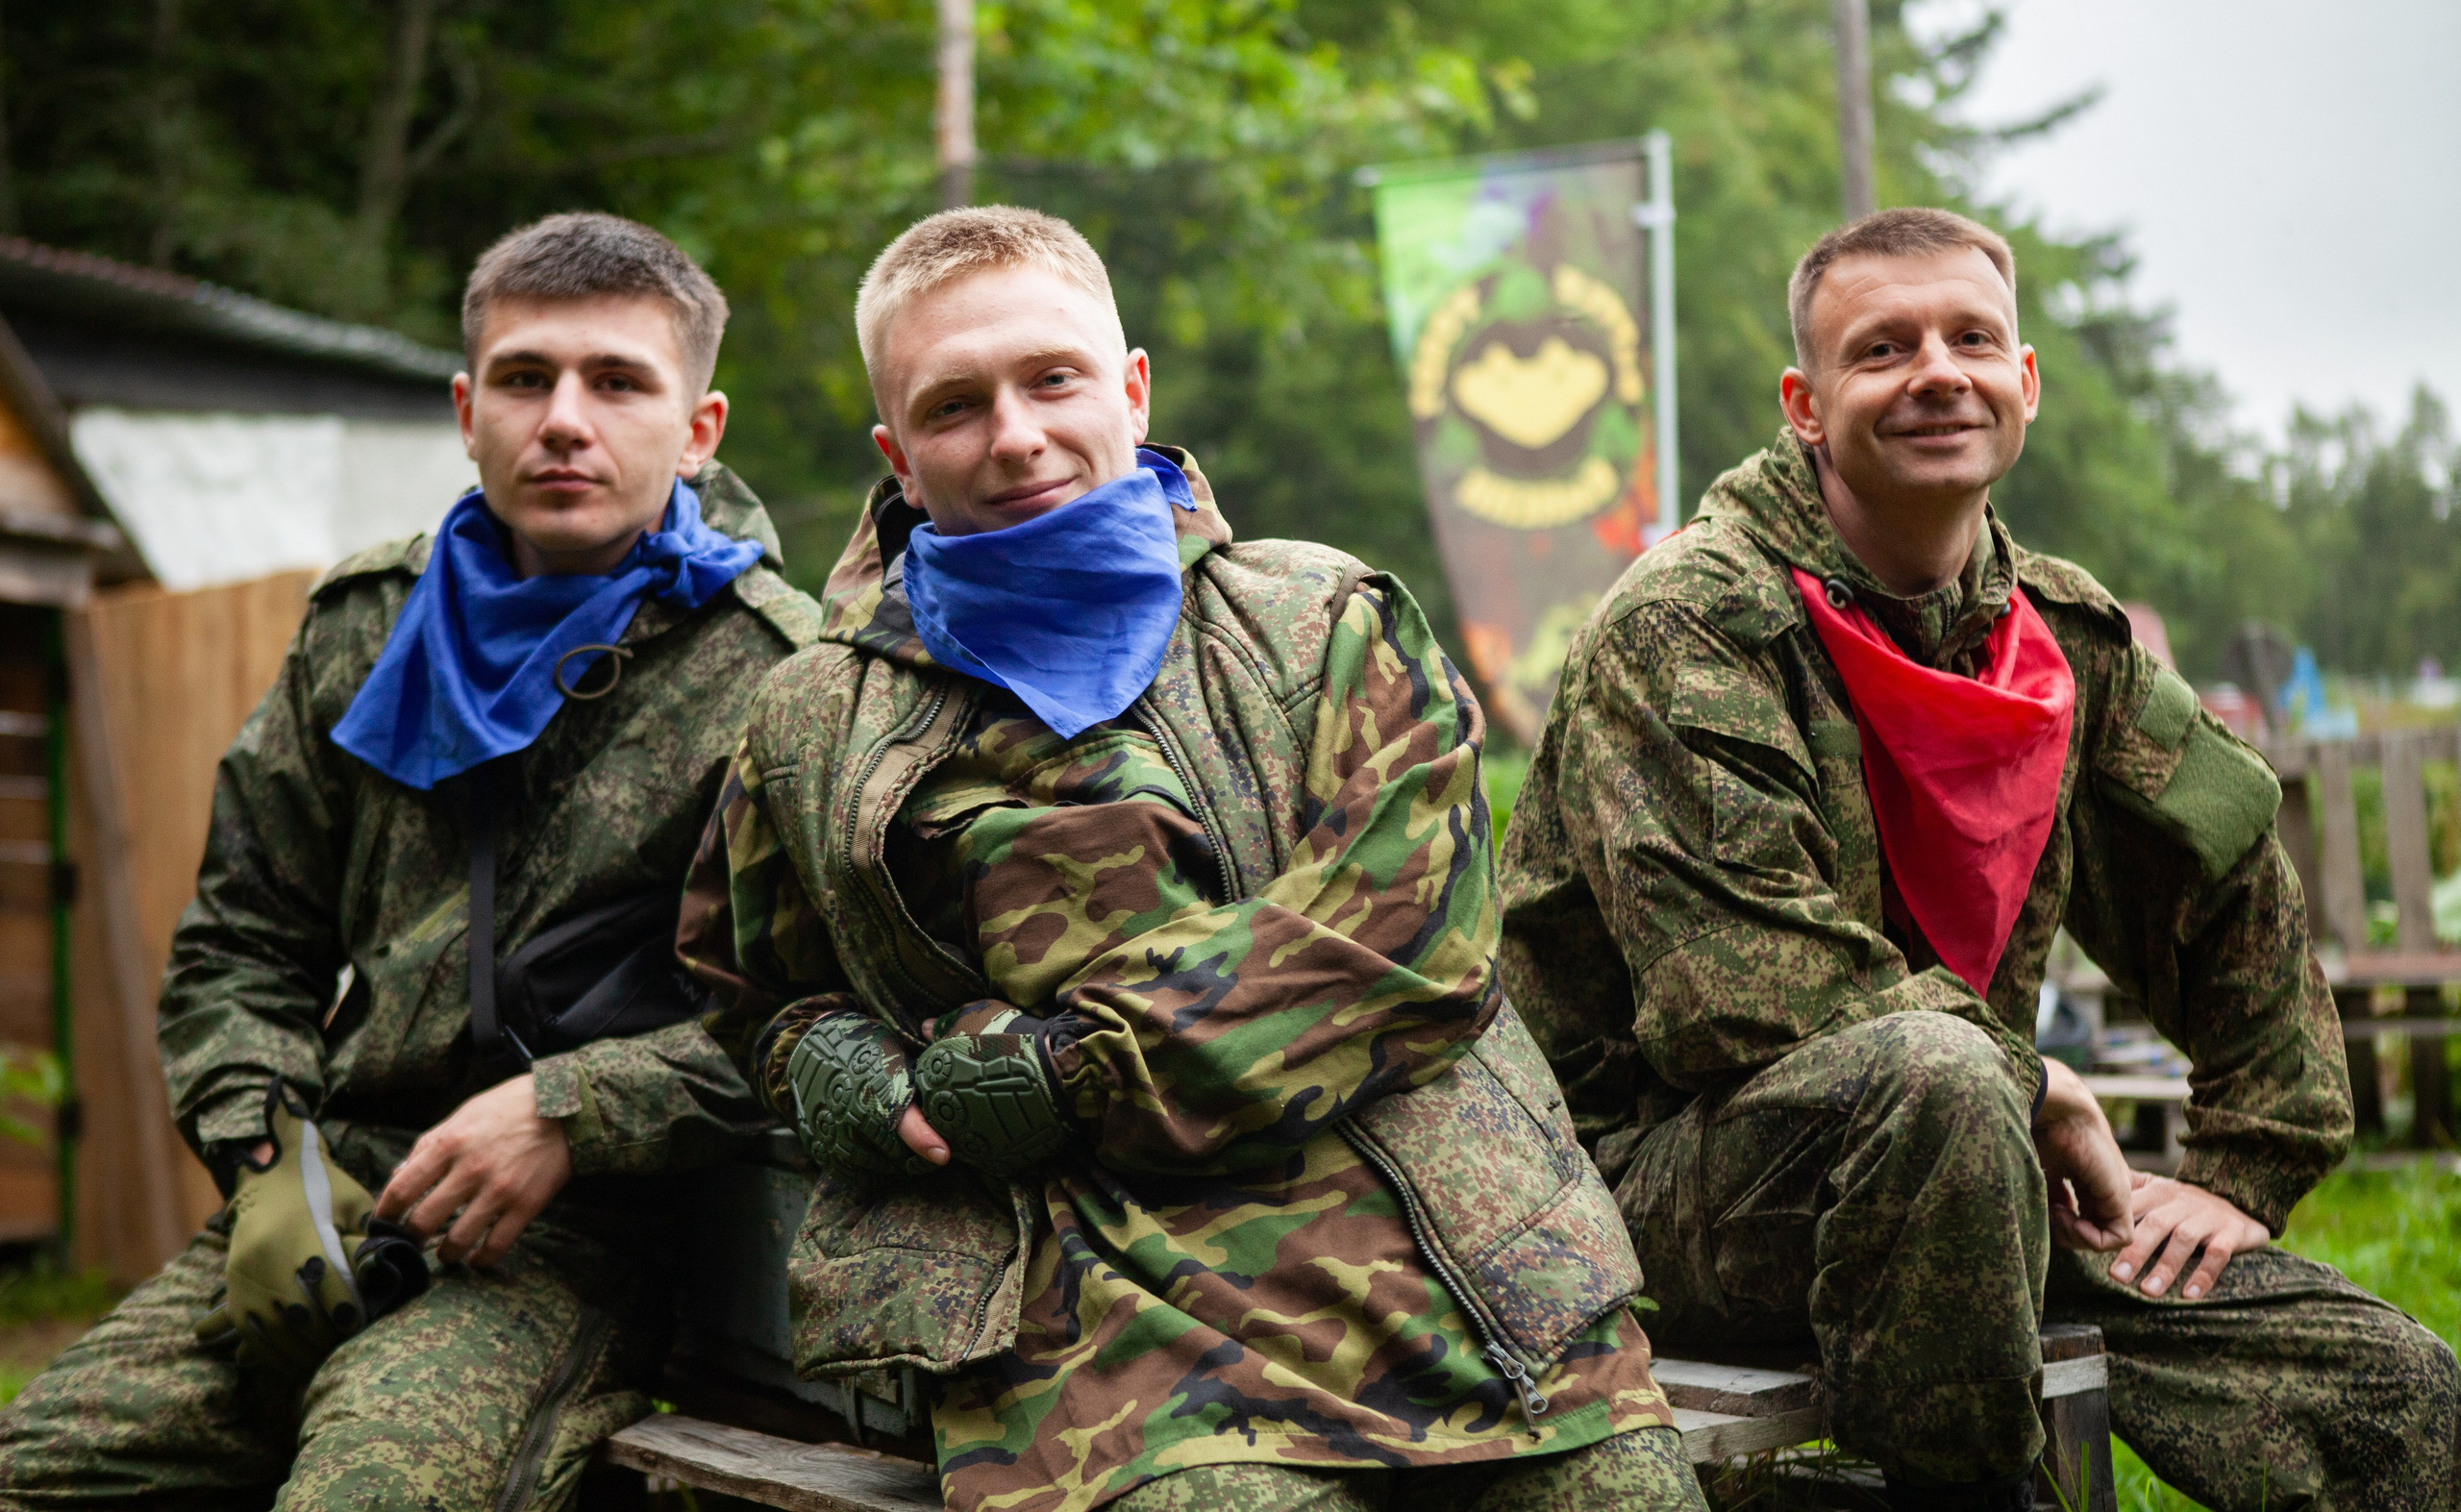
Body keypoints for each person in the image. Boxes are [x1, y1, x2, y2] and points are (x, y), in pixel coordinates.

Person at [679, 205, 1705, 1512]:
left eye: (1053, 379)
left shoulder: (1322, 621)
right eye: (954, 407)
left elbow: (1403, 942)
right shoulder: (814, 717)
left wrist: (1069, 1065)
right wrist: (827, 1059)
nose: (1015, 437)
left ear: (1131, 385)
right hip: (1081, 1300)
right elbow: (749, 978)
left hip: (1440, 1247)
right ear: (896, 450)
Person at [1499, 205, 2461, 1512]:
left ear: (2025, 383)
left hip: (1976, 1172)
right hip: (1659, 1188)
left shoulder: (2060, 637)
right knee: (1942, 1080)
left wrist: (2250, 1158)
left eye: (1972, 339)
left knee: (2395, 1401)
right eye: (1882, 350)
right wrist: (2039, 1083)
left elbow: (2229, 869)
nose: (1937, 373)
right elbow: (1745, 990)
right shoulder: (1691, 628)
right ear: (1806, 401)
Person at [0, 213, 820, 1509]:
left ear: (699, 427)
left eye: (617, 383)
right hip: (336, 1195)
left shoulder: (779, 679)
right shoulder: (366, 626)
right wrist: (271, 1160)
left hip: (568, 1237)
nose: (564, 419)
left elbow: (798, 1018)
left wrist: (570, 1109)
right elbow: (242, 943)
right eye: (524, 377)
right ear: (466, 406)